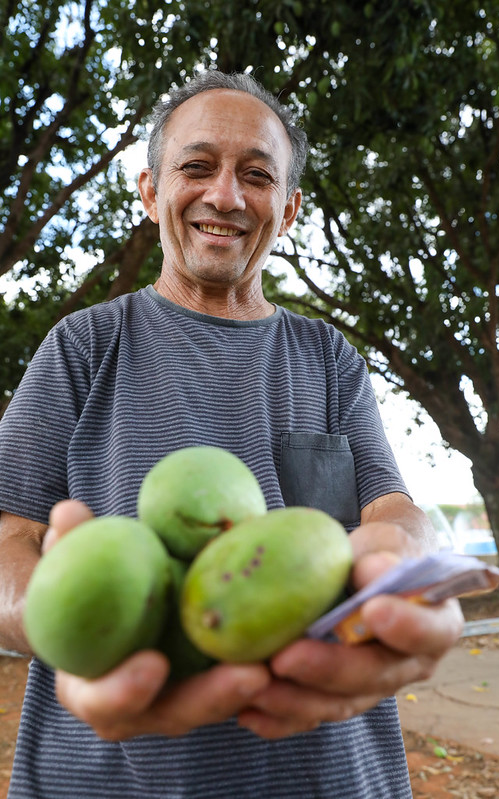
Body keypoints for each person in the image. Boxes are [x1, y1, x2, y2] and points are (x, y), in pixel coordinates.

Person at [0, 70, 463, 799]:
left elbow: (387, 506)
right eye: (195, 166)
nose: (225, 196)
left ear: (287, 208)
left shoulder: (328, 356)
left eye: (256, 175)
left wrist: (406, 559)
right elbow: (9, 532)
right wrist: (63, 621)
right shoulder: (82, 345)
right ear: (150, 191)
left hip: (329, 776)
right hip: (105, 777)